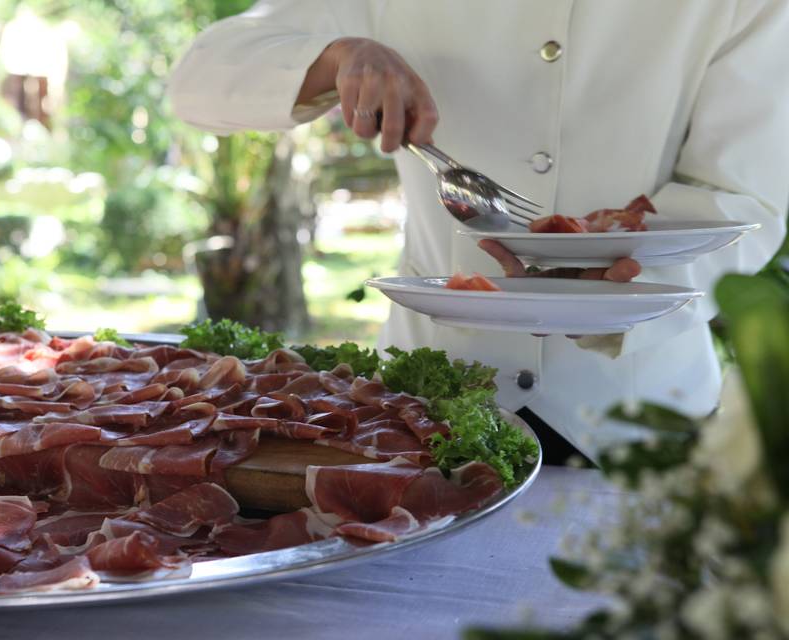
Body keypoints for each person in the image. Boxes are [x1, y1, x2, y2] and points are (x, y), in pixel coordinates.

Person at [167, 1, 789, 463]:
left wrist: (629, 284)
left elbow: (742, 192)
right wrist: (338, 57)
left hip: (642, 418)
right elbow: (199, 77)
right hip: (419, 413)